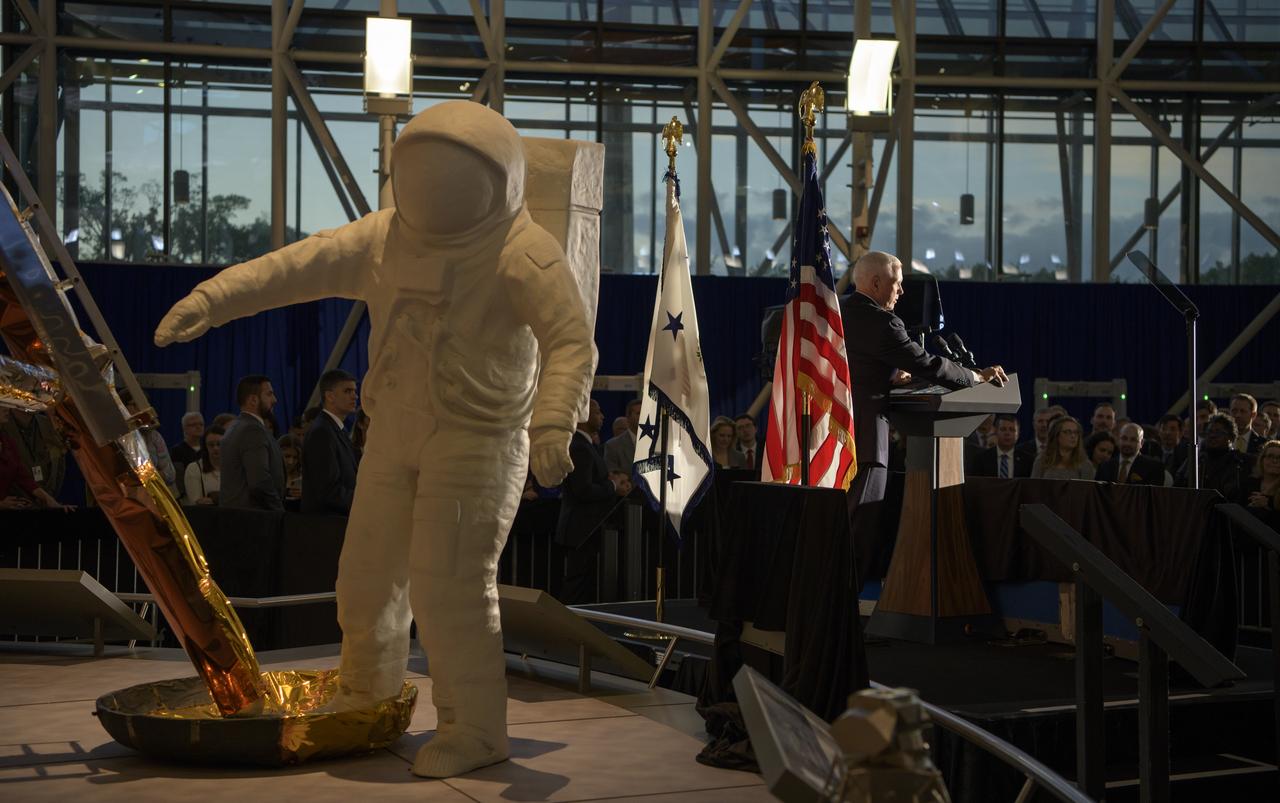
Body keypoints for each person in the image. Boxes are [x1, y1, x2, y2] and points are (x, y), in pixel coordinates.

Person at [154, 101, 596, 778]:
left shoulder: (520, 250)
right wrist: (213, 298)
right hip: (393, 432)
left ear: (494, 181)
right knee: (364, 580)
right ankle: (369, 691)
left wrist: (554, 421)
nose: (433, 191)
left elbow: (570, 340)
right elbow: (293, 268)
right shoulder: (386, 235)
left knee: (449, 587)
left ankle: (476, 726)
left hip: (478, 437)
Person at [840, 251, 1006, 514]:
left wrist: (889, 378)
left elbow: (856, 369)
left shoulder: (837, 312)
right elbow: (928, 364)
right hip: (865, 441)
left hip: (835, 436)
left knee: (838, 520)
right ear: (875, 283)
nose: (902, 291)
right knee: (859, 523)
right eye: (897, 283)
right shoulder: (883, 322)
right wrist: (976, 375)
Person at [555, 399, 629, 605]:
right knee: (576, 586)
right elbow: (583, 489)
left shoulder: (585, 444)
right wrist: (613, 486)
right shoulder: (579, 446)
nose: (602, 416)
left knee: (581, 584)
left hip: (586, 529)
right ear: (584, 415)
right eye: (597, 412)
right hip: (582, 529)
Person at [218, 375, 286, 511]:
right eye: (269, 394)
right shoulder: (252, 430)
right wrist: (279, 511)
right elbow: (259, 482)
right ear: (253, 400)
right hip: (254, 521)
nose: (275, 400)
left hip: (240, 519)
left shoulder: (235, 427)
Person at [302, 369, 361, 515]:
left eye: (355, 391)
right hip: (327, 525)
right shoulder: (322, 432)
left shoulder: (335, 429)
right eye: (348, 391)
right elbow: (328, 490)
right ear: (330, 396)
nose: (355, 396)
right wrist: (364, 502)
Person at [0, 407, 73, 510]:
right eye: (2, 405)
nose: (6, 409)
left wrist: (51, 501)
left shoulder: (7, 442)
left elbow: (23, 477)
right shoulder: (8, 433)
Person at [1177, 413, 1248, 498]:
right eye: (1209, 432)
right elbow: (1178, 484)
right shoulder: (1197, 459)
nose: (1212, 436)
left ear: (1231, 437)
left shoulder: (1238, 462)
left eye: (1218, 432)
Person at [1097, 423, 1167, 485]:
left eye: (1133, 440)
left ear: (1141, 443)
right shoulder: (1104, 466)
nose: (1127, 443)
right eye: (1124, 438)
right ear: (1118, 439)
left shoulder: (1154, 468)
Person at [1031, 416, 1095, 480]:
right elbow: (1033, 487)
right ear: (1056, 435)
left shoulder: (1085, 464)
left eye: (1076, 432)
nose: (1073, 436)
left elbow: (1088, 489)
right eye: (1067, 432)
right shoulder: (1042, 461)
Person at [1241, 440, 1280, 526]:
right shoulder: (1249, 483)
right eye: (1270, 456)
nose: (1274, 461)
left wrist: (1268, 506)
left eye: (1279, 458)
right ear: (1262, 460)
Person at [183, 425, 224, 505]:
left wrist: (213, 499)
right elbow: (196, 502)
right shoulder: (194, 468)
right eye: (211, 445)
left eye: (219, 444)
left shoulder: (234, 467)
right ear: (205, 447)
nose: (215, 448)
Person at [603, 398, 642, 475]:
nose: (643, 416)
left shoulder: (657, 443)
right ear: (628, 417)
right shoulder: (613, 446)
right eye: (638, 413)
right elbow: (613, 475)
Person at [169, 412, 205, 491]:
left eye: (201, 424)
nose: (198, 427)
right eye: (193, 425)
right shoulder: (177, 451)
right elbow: (177, 477)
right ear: (184, 428)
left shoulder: (207, 449)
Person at [1229, 393, 1265, 458]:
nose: (1237, 415)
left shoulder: (1263, 444)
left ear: (1253, 415)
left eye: (1243, 411)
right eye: (1234, 411)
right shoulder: (1220, 440)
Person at [279, 434, 304, 504]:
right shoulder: (271, 475)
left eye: (295, 458)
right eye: (287, 456)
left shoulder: (304, 477)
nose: (291, 462)